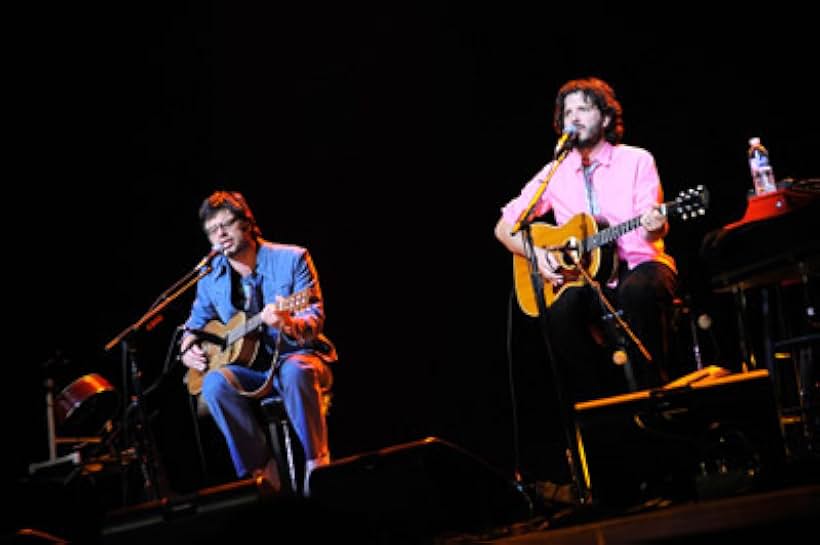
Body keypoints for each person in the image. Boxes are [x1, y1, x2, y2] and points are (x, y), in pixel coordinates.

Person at [494, 77, 677, 402]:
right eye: (568, 112)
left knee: (639, 291)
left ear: (605, 118)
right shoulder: (555, 172)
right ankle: (600, 405)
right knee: (559, 313)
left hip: (640, 265)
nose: (574, 117)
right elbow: (505, 226)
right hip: (585, 278)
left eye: (584, 108)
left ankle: (655, 397)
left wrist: (654, 224)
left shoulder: (637, 160)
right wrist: (536, 254)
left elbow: (653, 229)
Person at [179, 190, 336, 494]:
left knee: (295, 370)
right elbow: (194, 325)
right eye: (212, 231)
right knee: (213, 384)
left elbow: (314, 318)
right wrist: (187, 347)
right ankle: (264, 473)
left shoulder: (292, 258)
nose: (220, 235)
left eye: (226, 225)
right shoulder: (210, 279)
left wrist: (288, 322)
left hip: (298, 357)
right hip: (251, 372)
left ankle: (318, 468)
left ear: (247, 223)